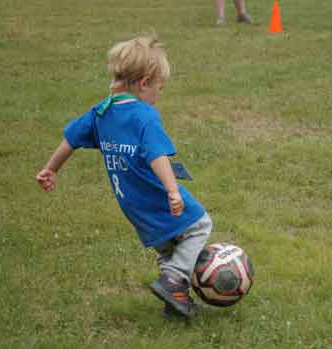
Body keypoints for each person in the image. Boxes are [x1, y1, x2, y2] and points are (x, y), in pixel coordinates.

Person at [35, 34, 212, 320]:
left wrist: (51, 169)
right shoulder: (144, 116)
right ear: (143, 83)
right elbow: (157, 155)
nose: (158, 95)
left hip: (133, 207)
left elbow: (70, 140)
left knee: (169, 247)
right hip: (156, 197)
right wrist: (173, 191)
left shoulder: (101, 113)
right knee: (200, 225)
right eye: (159, 88)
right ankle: (174, 278)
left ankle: (174, 302)